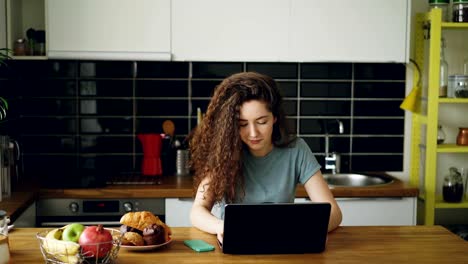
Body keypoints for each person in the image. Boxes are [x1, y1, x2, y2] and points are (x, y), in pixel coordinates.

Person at [189, 71, 342, 243]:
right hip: (234, 245)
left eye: (262, 122)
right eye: (243, 124)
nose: (253, 133)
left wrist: (298, 230)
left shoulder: (296, 149)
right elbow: (197, 212)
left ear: (275, 117)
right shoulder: (224, 152)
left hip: (282, 245)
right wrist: (222, 227)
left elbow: (334, 213)